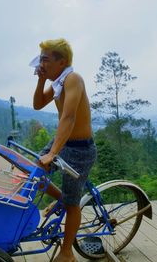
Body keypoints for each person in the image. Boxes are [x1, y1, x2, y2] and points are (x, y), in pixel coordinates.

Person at [31, 38, 97, 262]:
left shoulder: (73, 79)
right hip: (63, 141)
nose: (41, 63)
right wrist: (40, 80)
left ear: (62, 62)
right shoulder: (58, 82)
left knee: (72, 204)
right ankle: (63, 199)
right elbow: (38, 104)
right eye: (41, 59)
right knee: (34, 174)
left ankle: (67, 252)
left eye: (45, 59)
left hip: (79, 149)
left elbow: (69, 117)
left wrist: (52, 153)